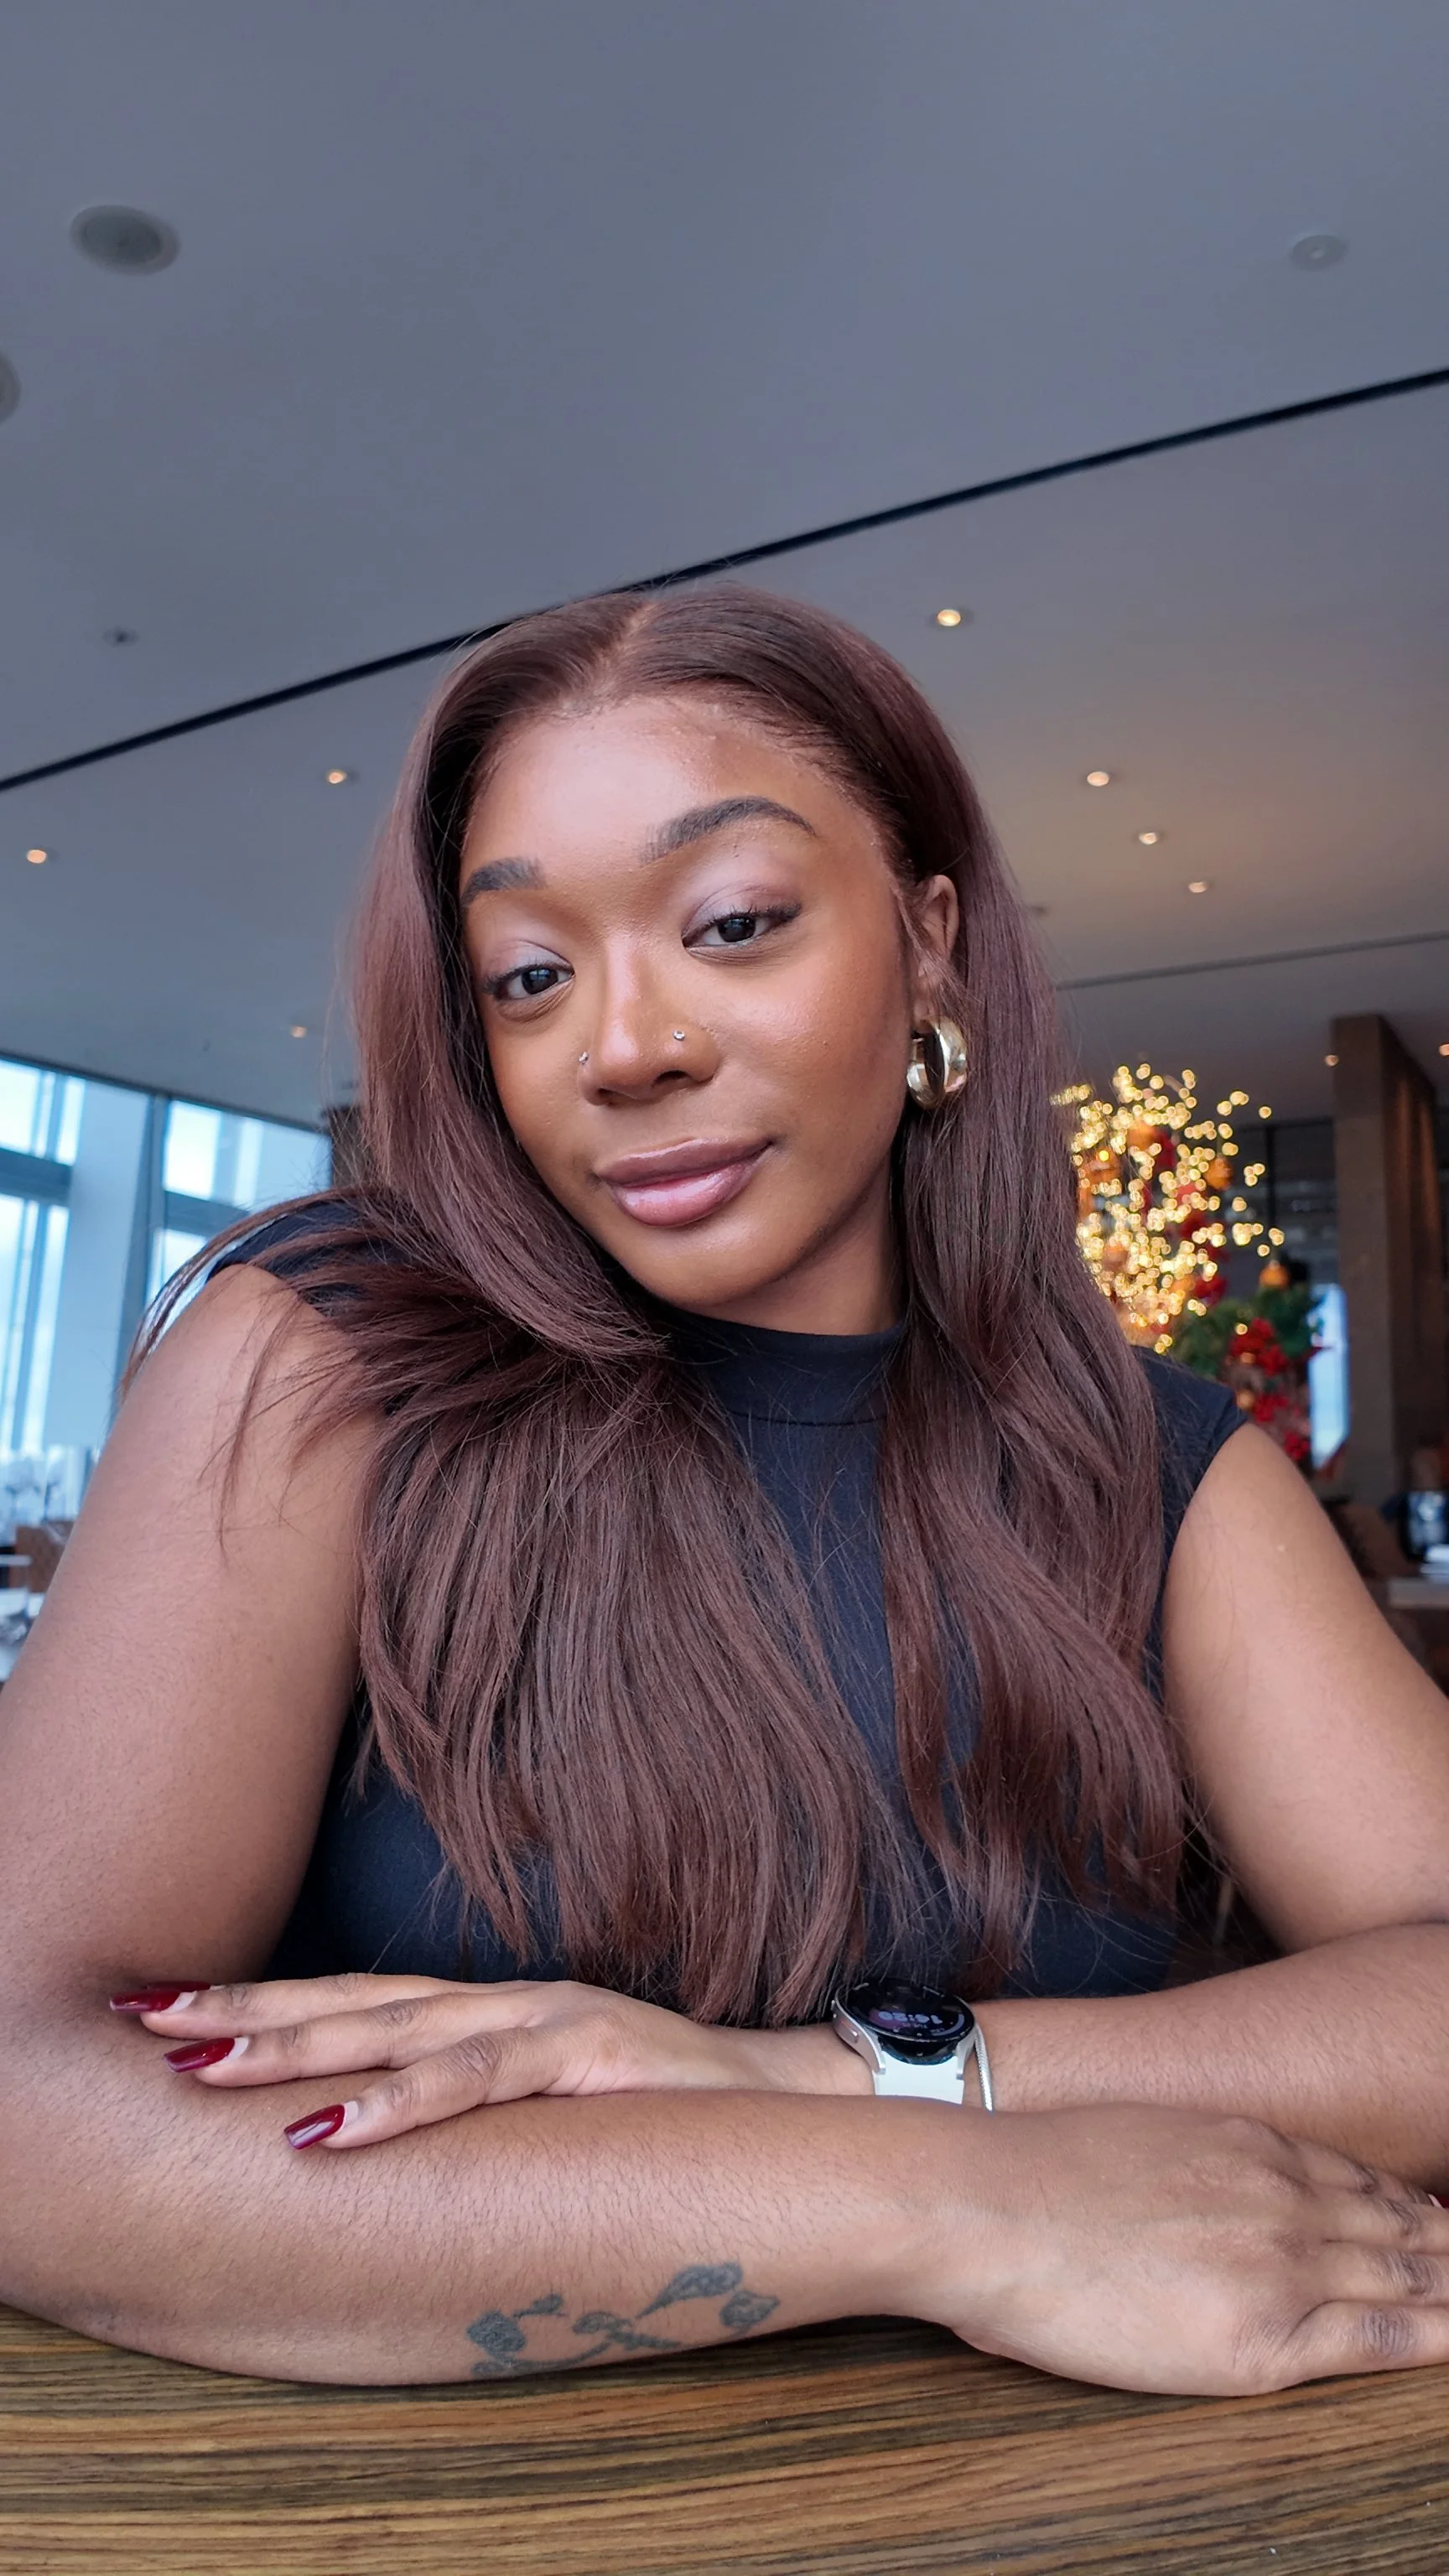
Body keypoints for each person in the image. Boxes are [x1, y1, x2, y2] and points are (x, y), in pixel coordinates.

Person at [2, 586, 1448, 2397]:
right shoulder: (331, 1358)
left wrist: (841, 2073)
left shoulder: (1149, 1461)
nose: (624, 1045)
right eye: (528, 975)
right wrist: (959, 2203)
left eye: (735, 923)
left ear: (931, 946)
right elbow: (29, 2104)